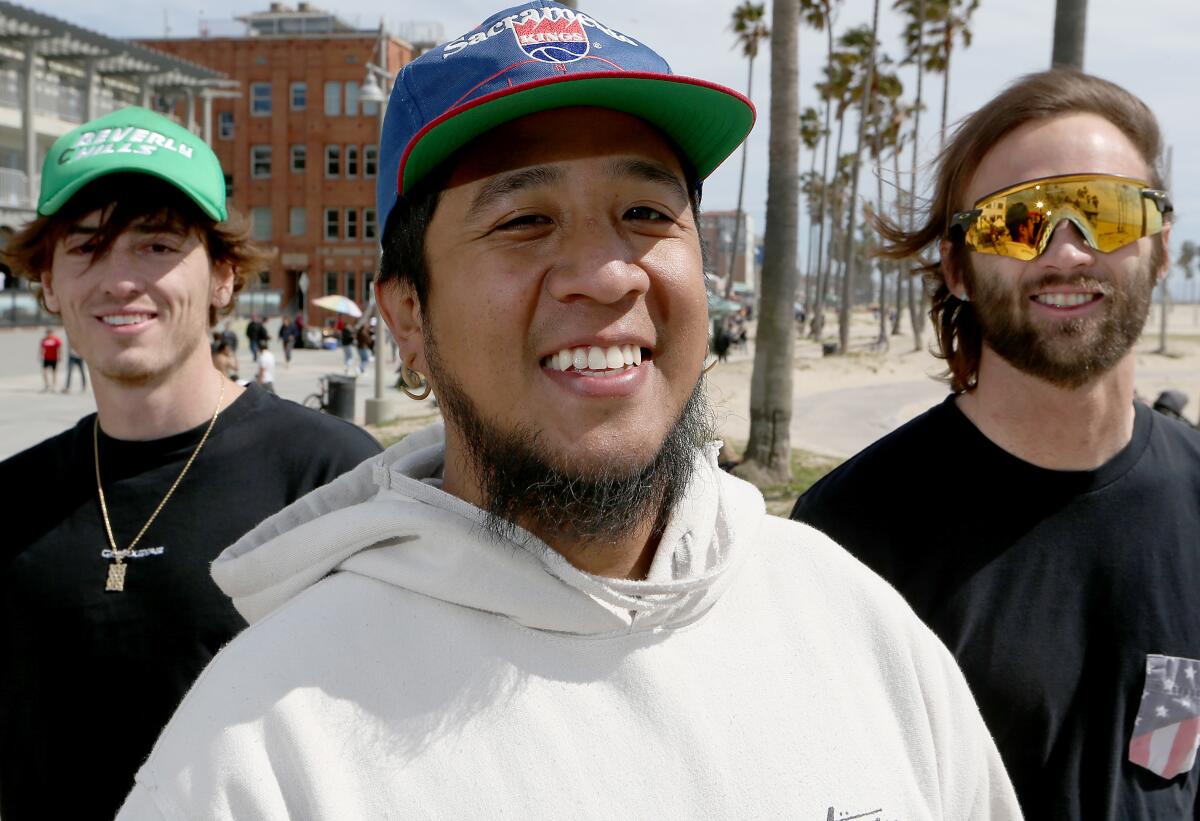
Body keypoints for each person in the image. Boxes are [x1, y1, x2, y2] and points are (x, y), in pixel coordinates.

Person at [117, 6, 1020, 819]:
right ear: (407, 317)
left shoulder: (855, 628)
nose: (606, 273)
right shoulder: (267, 746)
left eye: (643, 211)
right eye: (523, 221)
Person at [791, 70, 1200, 820]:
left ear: (1160, 247)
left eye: (1105, 213)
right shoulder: (848, 539)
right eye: (1020, 221)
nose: (1068, 251)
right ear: (958, 268)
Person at [0, 106, 382, 821]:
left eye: (155, 245)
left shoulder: (331, 478)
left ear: (224, 277)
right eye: (85, 248)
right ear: (48, 283)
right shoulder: (13, 499)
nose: (119, 279)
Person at [38, 326, 62, 391]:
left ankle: (54, 385)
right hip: (46, 358)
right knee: (44, 372)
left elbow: (59, 348)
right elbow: (41, 349)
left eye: (50, 332)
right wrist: (40, 355)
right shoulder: (44, 340)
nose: (48, 334)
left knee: (54, 372)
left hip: (54, 358)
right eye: (47, 332)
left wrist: (59, 356)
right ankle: (47, 385)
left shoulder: (56, 340)